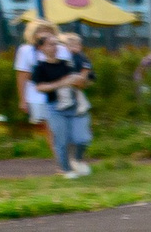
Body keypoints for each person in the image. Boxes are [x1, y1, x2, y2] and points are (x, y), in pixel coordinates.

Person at [30, 29, 94, 178]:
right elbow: (40, 87)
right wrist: (61, 83)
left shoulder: (69, 63)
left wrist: (82, 79)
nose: (54, 47)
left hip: (76, 105)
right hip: (55, 108)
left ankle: (77, 160)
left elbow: (85, 79)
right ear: (42, 48)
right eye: (50, 44)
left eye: (56, 44)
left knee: (82, 138)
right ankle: (66, 170)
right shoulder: (40, 68)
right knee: (62, 140)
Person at [13, 19, 55, 152]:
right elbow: (22, 76)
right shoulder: (26, 51)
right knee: (50, 127)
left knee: (62, 125)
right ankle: (61, 158)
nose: (44, 34)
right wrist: (22, 100)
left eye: (48, 31)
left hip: (59, 92)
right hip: (38, 95)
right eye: (40, 31)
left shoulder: (59, 48)